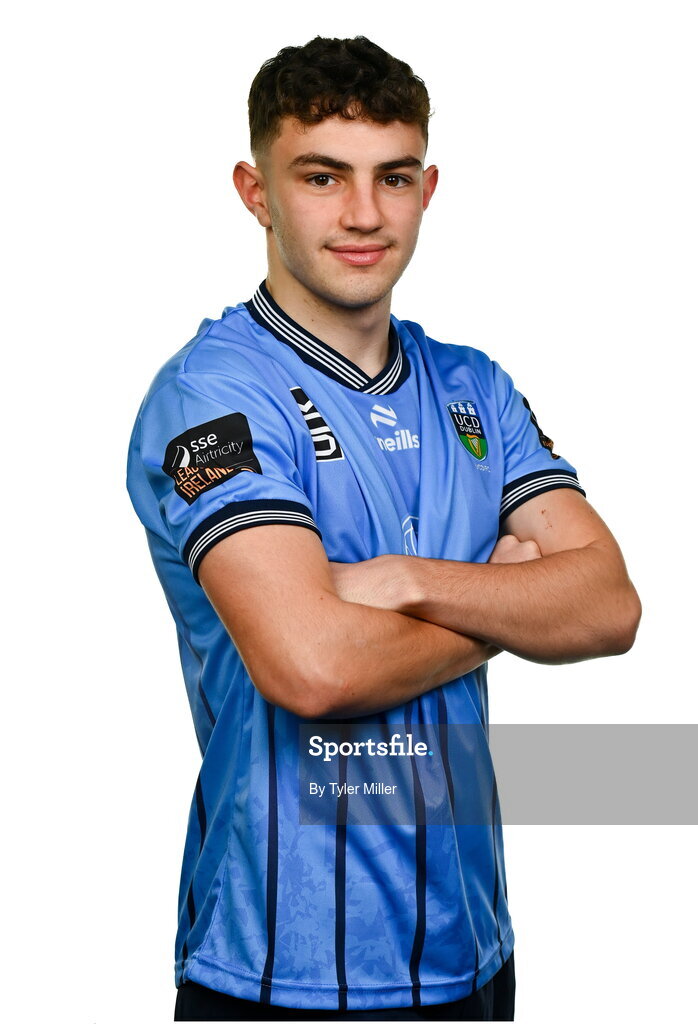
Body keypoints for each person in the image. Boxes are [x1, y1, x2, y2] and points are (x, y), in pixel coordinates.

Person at [127, 35, 641, 1022]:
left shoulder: (472, 387)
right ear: (254, 189)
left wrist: (401, 577)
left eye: (391, 176)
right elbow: (312, 668)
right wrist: (505, 595)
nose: (363, 213)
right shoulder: (212, 397)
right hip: (278, 969)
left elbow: (607, 606)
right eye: (321, 176)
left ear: (426, 186)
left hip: (470, 946)